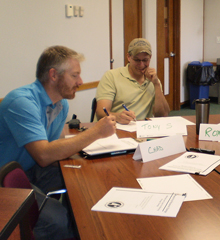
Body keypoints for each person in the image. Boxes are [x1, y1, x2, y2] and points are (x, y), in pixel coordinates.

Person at [0, 45, 116, 239]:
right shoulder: (21, 102)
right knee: (56, 219)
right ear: (53, 75)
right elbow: (44, 155)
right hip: (5, 178)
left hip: (31, 168)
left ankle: (79, 228)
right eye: (75, 75)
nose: (80, 81)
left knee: (84, 182)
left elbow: (56, 150)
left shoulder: (60, 104)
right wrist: (96, 132)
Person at [95, 38, 170, 124]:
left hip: (142, 129)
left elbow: (163, 115)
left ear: (150, 58)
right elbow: (101, 112)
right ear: (129, 57)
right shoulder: (111, 76)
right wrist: (117, 116)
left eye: (145, 60)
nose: (141, 65)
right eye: (137, 60)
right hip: (115, 127)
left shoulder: (153, 80)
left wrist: (156, 85)